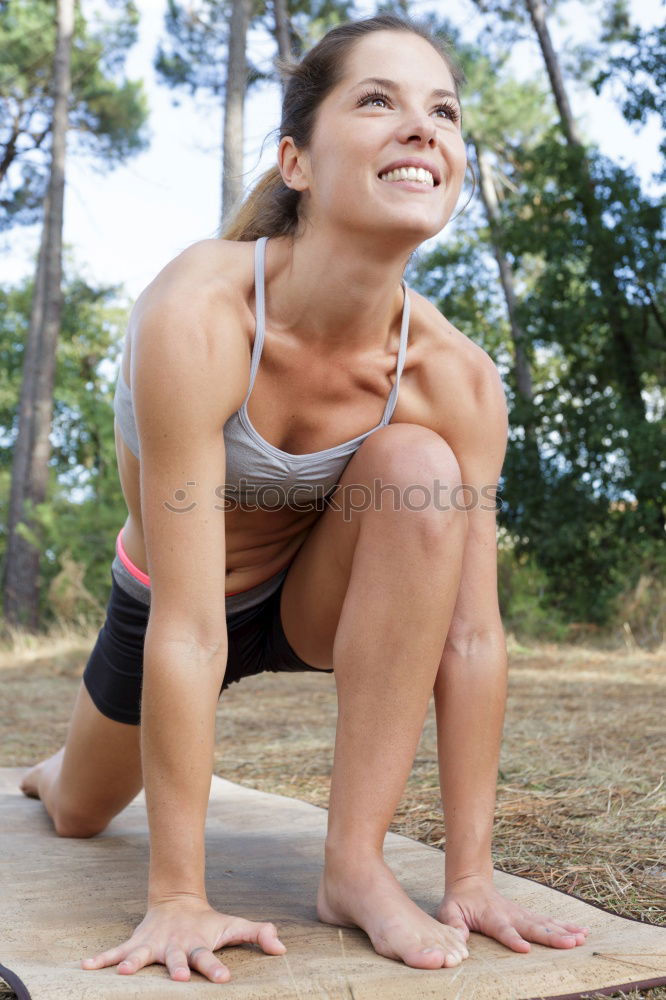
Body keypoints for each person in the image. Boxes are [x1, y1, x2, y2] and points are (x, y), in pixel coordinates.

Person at [20, 13, 590, 986]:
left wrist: (472, 872)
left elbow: (471, 636)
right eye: (379, 100)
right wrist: (179, 896)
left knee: (421, 468)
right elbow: (191, 630)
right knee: (79, 811)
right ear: (296, 159)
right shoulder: (200, 313)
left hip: (319, 596)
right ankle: (53, 767)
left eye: (444, 111)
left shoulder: (455, 378)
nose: (423, 127)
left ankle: (353, 865)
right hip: (177, 600)